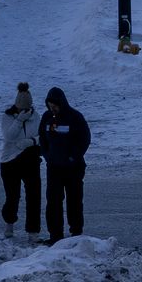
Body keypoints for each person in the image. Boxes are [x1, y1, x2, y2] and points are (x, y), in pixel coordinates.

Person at [38, 86, 90, 243]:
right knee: (53, 201)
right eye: (50, 105)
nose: (52, 108)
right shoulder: (47, 117)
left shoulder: (75, 117)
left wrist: (73, 157)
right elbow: (42, 138)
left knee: (74, 200)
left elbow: (85, 139)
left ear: (62, 103)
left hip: (73, 168)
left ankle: (76, 234)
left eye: (55, 105)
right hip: (54, 167)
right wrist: (47, 155)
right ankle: (55, 236)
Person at [0, 83, 41, 239]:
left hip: (30, 159)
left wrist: (32, 141)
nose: (25, 111)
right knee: (12, 196)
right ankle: (9, 223)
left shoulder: (36, 116)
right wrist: (19, 120)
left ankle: (33, 231)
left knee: (34, 195)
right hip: (9, 161)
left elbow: (42, 136)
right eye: (21, 109)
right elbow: (8, 136)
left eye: (27, 109)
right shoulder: (7, 117)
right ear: (16, 106)